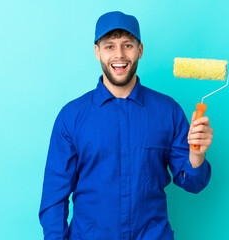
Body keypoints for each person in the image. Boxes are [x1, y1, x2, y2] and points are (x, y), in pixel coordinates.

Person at [39, 11, 212, 240]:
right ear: (97, 51)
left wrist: (197, 157)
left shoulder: (168, 111)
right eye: (109, 46)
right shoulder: (71, 116)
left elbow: (193, 183)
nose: (119, 55)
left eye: (127, 45)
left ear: (140, 50)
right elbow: (54, 197)